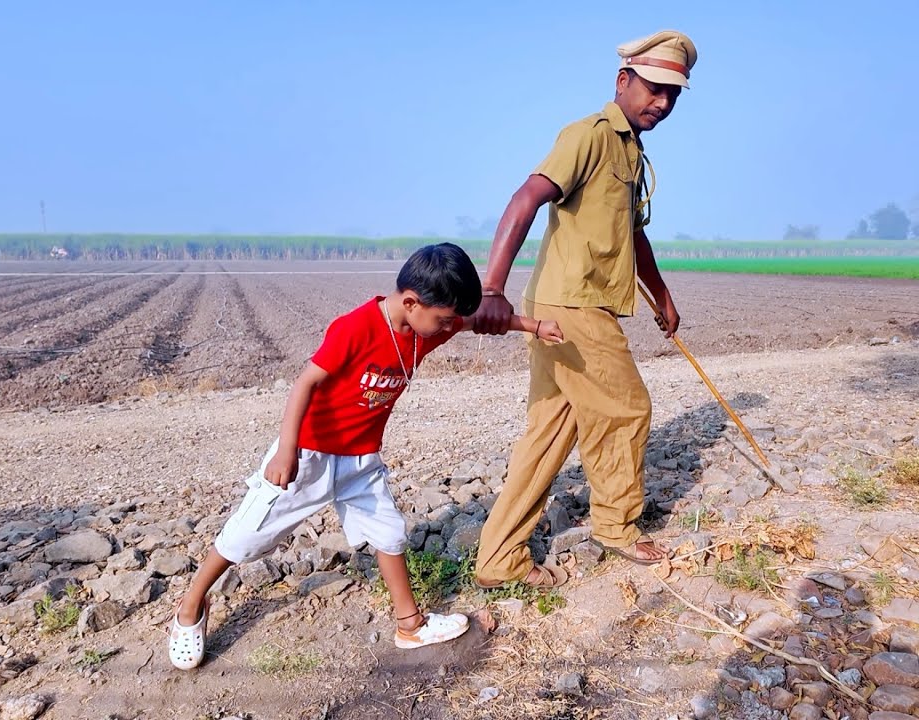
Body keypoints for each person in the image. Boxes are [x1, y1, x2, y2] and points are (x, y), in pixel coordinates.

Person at [167, 242, 564, 670]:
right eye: (442, 319)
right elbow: (305, 384)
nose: (447, 327)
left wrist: (535, 326)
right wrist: (287, 451)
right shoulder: (354, 328)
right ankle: (191, 606)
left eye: (448, 320)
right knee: (247, 535)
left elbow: (479, 322)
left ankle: (409, 623)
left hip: (361, 460)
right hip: (311, 453)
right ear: (411, 302)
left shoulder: (425, 324)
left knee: (389, 532)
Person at [470, 30, 697, 589]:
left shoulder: (631, 152)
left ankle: (499, 558)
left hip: (567, 302)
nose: (662, 103)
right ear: (623, 81)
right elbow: (526, 198)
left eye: (673, 95)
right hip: (574, 305)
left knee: (551, 430)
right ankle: (617, 528)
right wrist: (491, 290)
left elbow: (633, 235)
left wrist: (662, 297)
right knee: (627, 409)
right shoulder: (589, 136)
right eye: (654, 89)